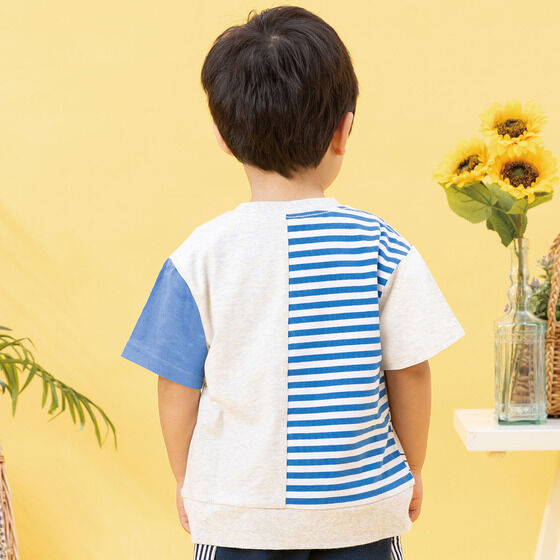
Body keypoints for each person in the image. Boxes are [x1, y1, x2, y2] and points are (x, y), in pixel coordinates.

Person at [120, 5, 465, 559]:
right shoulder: (383, 246)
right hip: (359, 511)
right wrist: (414, 466)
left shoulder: (199, 256)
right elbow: (411, 371)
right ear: (343, 131)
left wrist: (188, 479)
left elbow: (175, 385)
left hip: (239, 517)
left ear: (223, 137)